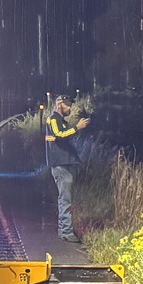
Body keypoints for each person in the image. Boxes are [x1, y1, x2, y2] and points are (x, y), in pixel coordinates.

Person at [43, 92, 90, 244]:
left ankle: (65, 230)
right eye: (68, 104)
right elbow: (60, 134)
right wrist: (77, 127)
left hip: (64, 164)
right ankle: (66, 232)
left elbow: (63, 136)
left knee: (66, 198)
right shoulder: (53, 119)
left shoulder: (60, 120)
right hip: (60, 165)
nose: (70, 107)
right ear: (59, 104)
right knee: (65, 199)